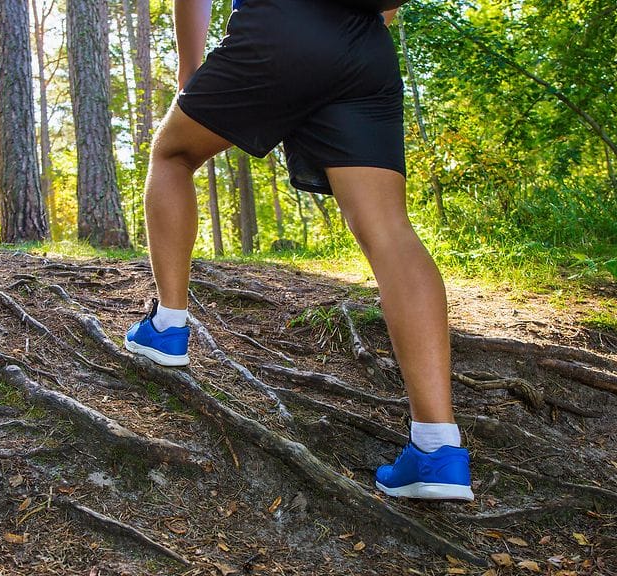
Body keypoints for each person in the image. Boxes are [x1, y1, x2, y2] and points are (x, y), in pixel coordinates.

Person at [123, 0, 473, 501]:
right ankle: (438, 449)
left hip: (281, 28)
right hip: (366, 46)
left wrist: (189, 73)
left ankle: (167, 327)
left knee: (172, 153)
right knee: (390, 229)